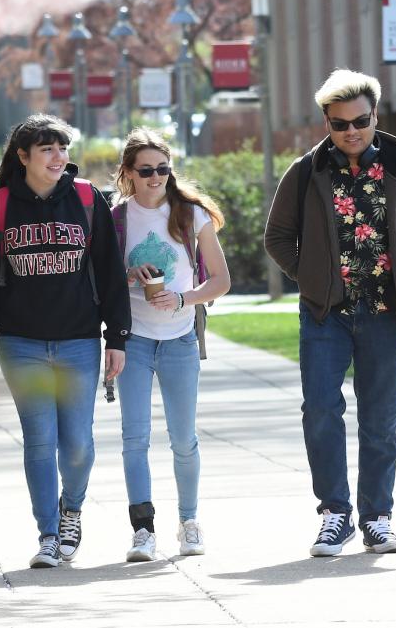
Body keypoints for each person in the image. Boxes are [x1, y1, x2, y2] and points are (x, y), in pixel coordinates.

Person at [264, 69, 396, 557]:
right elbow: (278, 237)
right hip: (326, 316)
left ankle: (377, 518)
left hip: (387, 314)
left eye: (360, 121)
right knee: (321, 411)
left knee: (380, 420)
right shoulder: (306, 172)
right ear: (327, 122)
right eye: (340, 124)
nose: (352, 131)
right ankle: (335, 515)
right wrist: (313, 280)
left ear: (375, 116)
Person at [0, 114, 130, 569]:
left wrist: (118, 337)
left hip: (78, 342)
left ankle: (71, 509)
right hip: (21, 344)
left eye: (63, 148)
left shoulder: (87, 199)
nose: (59, 158)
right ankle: (49, 535)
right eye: (48, 150)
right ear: (24, 156)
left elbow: (111, 275)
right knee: (40, 441)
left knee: (76, 443)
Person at [111, 127, 230, 562]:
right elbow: (101, 282)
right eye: (146, 170)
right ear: (129, 173)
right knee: (134, 439)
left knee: (183, 439)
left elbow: (221, 280)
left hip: (179, 337)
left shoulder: (191, 216)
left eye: (163, 169)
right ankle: (142, 530)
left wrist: (183, 297)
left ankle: (189, 521)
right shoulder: (115, 220)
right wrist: (128, 276)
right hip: (136, 341)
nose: (156, 177)